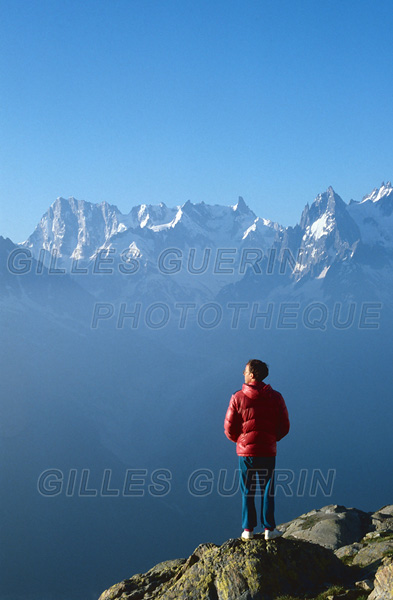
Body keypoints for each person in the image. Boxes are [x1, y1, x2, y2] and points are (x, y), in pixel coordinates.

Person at [224, 359, 290, 540]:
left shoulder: (237, 397)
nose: (243, 373)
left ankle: (248, 530)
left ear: (252, 375)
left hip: (246, 454)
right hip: (268, 451)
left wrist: (242, 442)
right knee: (268, 489)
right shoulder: (276, 397)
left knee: (248, 490)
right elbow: (284, 426)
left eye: (245, 371)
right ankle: (269, 529)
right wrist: (270, 440)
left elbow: (229, 428)